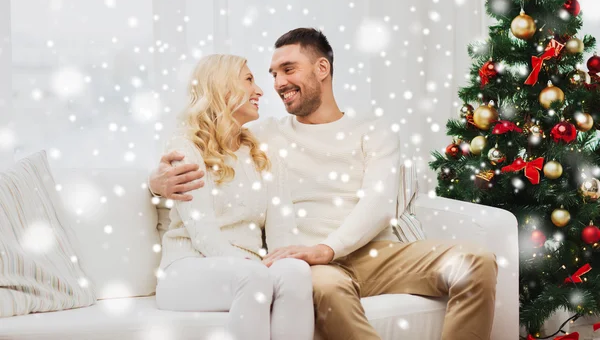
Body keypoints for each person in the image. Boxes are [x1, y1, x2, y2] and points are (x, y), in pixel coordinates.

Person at [150, 28, 498, 340]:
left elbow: (379, 204)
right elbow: (208, 145)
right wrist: (156, 183)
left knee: (476, 260)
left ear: (322, 69)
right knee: (326, 290)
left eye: (288, 69)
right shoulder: (261, 137)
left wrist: (329, 247)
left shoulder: (372, 130)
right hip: (314, 266)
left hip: (374, 254)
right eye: (271, 74)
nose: (276, 83)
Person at [153, 54, 314, 340]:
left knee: (296, 272)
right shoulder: (186, 149)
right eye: (249, 80)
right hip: (188, 268)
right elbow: (204, 237)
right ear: (222, 89)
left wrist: (282, 263)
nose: (261, 91)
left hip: (250, 271)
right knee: (253, 278)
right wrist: (257, 269)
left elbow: (283, 237)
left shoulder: (265, 156)